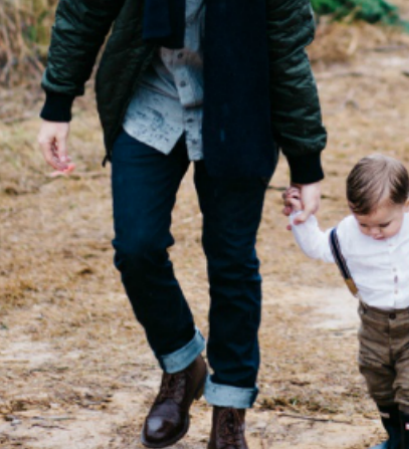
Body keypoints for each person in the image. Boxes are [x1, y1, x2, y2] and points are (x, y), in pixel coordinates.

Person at [35, 0, 327, 447]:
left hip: (239, 108)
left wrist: (306, 164)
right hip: (153, 96)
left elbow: (287, 51)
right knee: (137, 246)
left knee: (231, 261)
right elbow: (84, 10)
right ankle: (182, 363)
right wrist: (58, 102)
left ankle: (229, 408)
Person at [282, 155, 409, 449]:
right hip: (373, 326)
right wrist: (301, 218)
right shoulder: (349, 233)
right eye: (365, 224)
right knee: (381, 387)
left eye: (384, 224)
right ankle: (397, 438)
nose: (374, 232)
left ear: (407, 204)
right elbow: (316, 247)